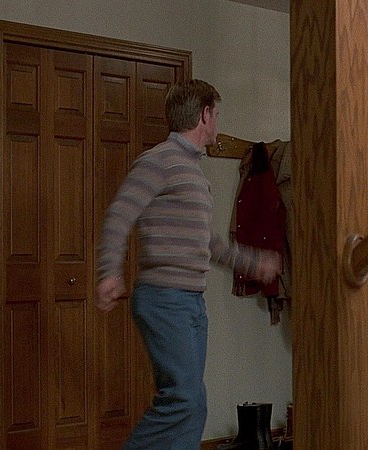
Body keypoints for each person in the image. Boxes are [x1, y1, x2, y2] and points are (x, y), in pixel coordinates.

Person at [95, 79, 281, 449]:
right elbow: (120, 213)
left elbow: (207, 243)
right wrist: (109, 272)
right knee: (183, 399)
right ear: (204, 115)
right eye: (217, 114)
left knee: (194, 404)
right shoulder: (159, 161)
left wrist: (251, 261)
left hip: (191, 302)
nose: (217, 122)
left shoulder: (192, 171)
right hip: (164, 299)